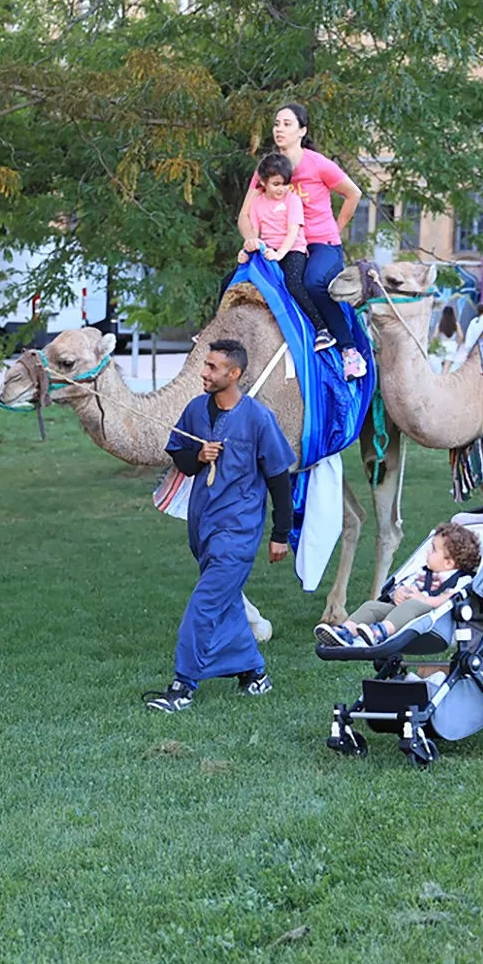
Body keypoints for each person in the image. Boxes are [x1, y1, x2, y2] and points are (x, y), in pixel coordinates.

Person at [145, 338, 295, 712]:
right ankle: (254, 673)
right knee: (225, 603)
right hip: (203, 527)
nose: (204, 373)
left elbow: (279, 479)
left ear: (235, 373)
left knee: (205, 606)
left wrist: (280, 533)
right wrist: (198, 454)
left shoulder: (258, 418)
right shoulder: (196, 410)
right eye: (206, 365)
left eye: (212, 367)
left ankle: (183, 686)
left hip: (238, 531)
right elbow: (182, 462)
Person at [239, 104, 369, 381]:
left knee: (312, 283)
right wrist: (252, 241)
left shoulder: (318, 164)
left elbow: (353, 194)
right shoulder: (268, 169)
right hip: (279, 245)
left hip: (320, 243)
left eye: (287, 124)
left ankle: (349, 350)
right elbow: (245, 216)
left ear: (302, 131)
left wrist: (336, 229)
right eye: (277, 123)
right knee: (243, 280)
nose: (279, 129)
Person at [314, 522, 480, 647]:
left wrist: (423, 600)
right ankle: (345, 631)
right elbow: (403, 586)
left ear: (449, 563)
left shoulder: (460, 579)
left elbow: (451, 598)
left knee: (412, 605)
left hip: (432, 620)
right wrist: (399, 593)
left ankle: (380, 632)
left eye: (434, 550)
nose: (428, 552)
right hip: (402, 612)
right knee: (371, 606)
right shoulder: (422, 572)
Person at [239, 153, 337, 352]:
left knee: (293, 284)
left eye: (285, 184)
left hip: (292, 250)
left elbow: (293, 232)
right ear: (263, 182)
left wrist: (280, 254)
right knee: (236, 280)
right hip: (268, 250)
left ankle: (321, 328)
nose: (281, 189)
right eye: (276, 184)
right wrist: (247, 249)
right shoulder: (257, 203)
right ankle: (218, 325)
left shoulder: (293, 200)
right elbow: (255, 233)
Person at [430, 304, 464, 370]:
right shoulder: (456, 324)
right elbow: (461, 336)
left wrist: (433, 345)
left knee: (442, 368)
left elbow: (434, 336)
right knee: (447, 369)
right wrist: (458, 344)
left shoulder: (439, 324)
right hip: (452, 346)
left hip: (442, 346)